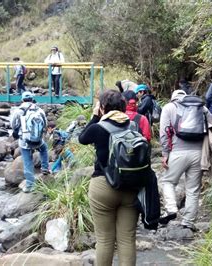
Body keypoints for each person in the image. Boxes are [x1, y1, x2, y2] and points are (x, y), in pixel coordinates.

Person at [79, 89, 139, 266]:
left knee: (104, 239)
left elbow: (82, 138)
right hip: (130, 187)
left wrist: (95, 116)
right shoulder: (134, 125)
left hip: (103, 187)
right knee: (127, 239)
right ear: (123, 106)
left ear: (103, 107)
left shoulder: (98, 127)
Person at [159, 89, 208, 232]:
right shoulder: (201, 107)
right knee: (193, 189)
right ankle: (188, 222)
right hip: (199, 153)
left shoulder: (169, 107)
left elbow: (164, 132)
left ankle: (171, 208)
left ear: (173, 98)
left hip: (177, 152)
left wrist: (165, 153)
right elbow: (210, 124)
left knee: (167, 181)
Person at [10, 91, 50, 193]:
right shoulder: (39, 110)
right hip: (38, 139)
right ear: (32, 99)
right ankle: (45, 168)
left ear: (22, 99)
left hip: (25, 141)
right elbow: (45, 124)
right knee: (44, 149)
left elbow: (13, 125)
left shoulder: (18, 110)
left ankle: (29, 185)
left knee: (28, 161)